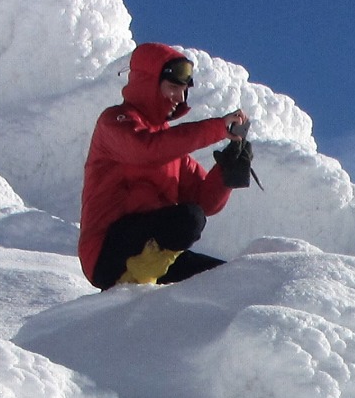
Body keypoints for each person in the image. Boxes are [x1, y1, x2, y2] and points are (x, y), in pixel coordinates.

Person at [79, 42, 254, 288]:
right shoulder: (114, 122)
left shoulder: (169, 147)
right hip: (106, 251)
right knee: (187, 218)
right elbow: (145, 150)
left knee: (226, 280)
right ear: (148, 83)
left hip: (150, 251)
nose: (180, 98)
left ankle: (145, 278)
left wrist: (227, 170)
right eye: (173, 87)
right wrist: (217, 128)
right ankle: (136, 279)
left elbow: (206, 202)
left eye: (183, 91)